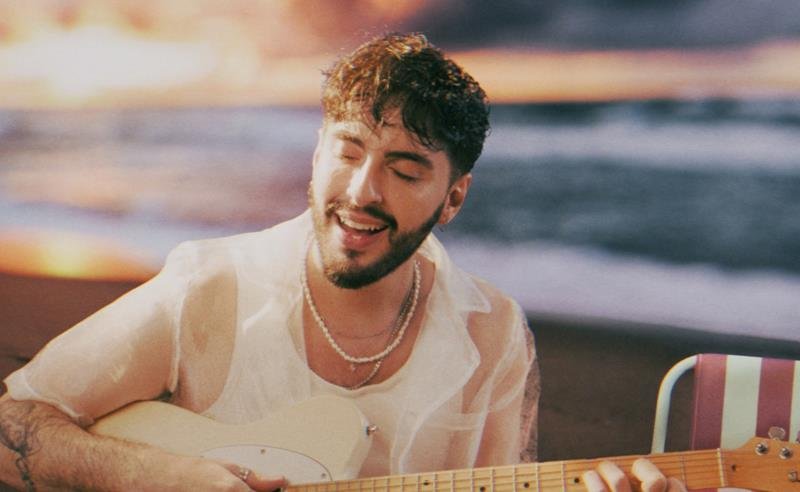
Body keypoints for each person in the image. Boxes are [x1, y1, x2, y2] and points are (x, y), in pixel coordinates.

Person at [0, 33, 683, 492]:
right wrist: (163, 476)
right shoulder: (210, 288)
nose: (362, 192)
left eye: (405, 170)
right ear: (317, 151)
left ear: (453, 198)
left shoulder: (492, 333)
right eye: (349, 151)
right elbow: (13, 426)